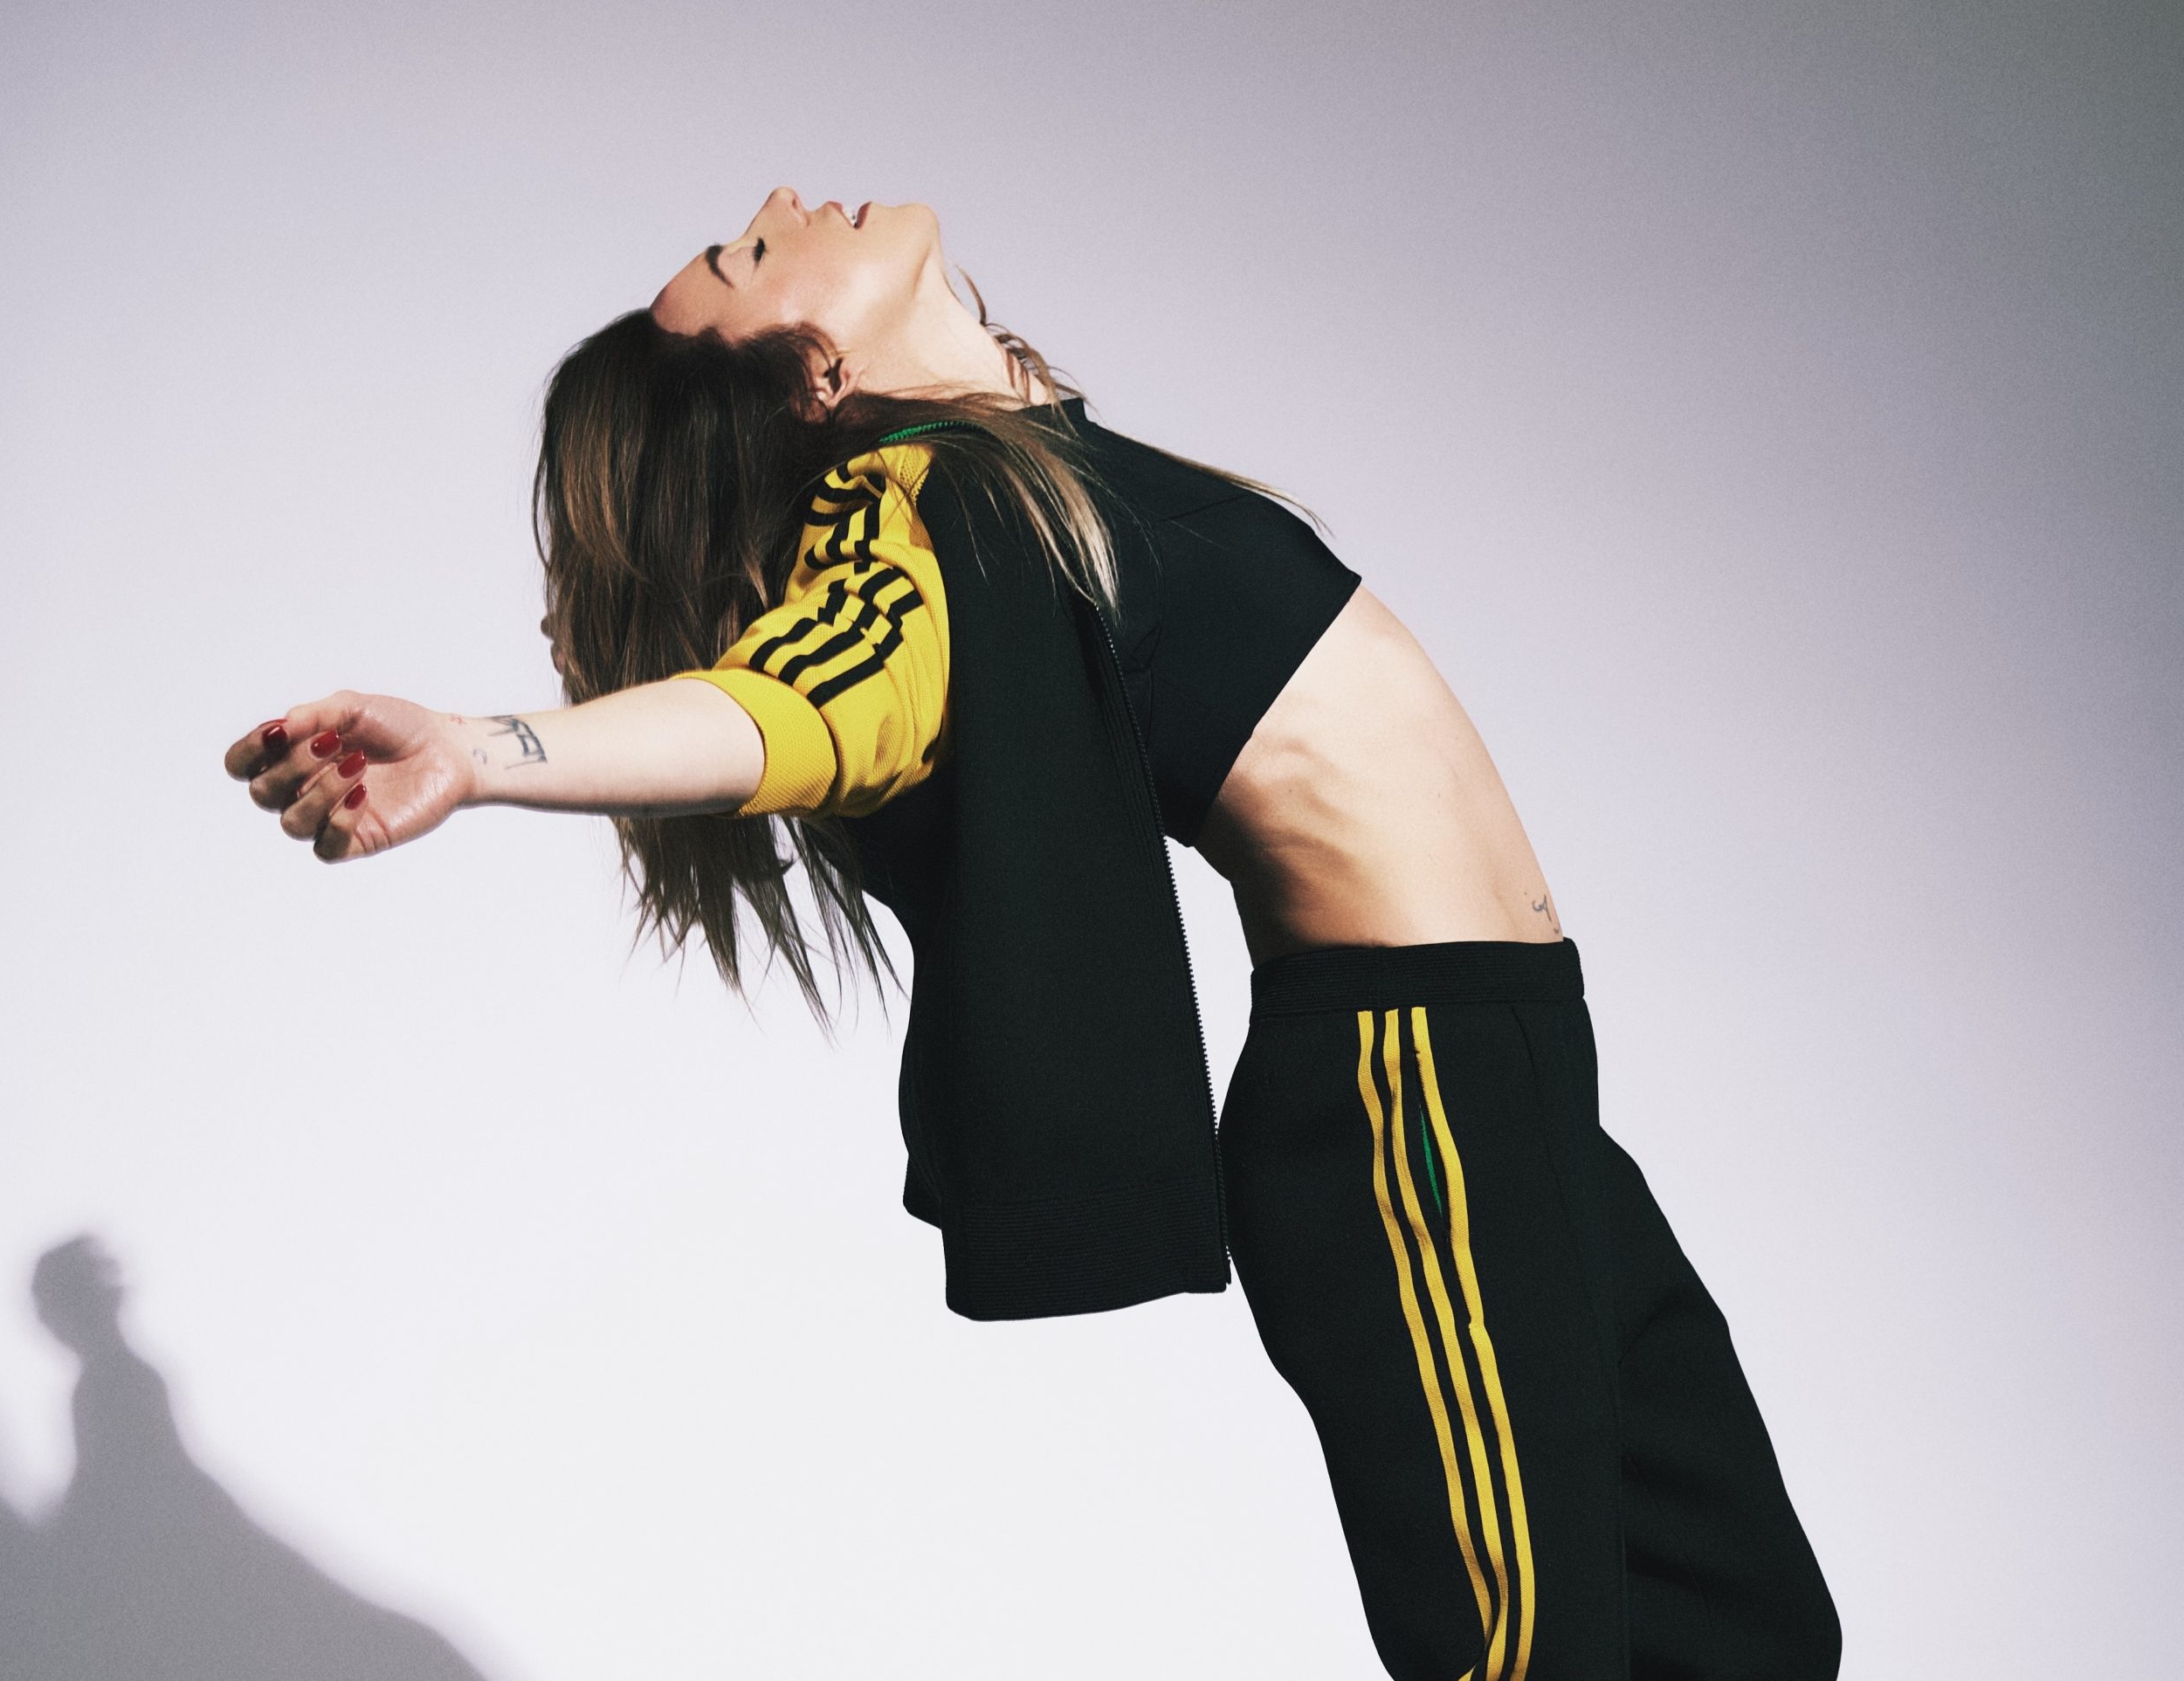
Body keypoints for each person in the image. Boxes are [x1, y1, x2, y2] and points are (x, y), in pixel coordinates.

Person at [223, 186, 1842, 1680]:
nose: (780, 204)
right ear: (816, 376)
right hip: (1403, 1092)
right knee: (1528, 1651)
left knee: (1741, 1622)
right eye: (749, 255)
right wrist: (483, 750)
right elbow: (800, 703)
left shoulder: (1028, 460)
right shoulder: (926, 519)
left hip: (1519, 1064)